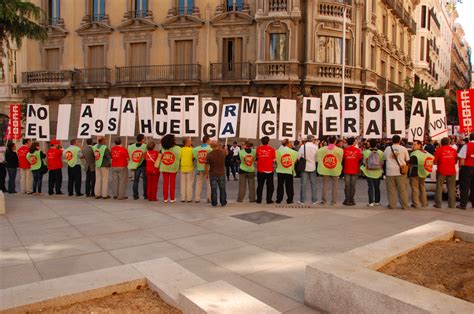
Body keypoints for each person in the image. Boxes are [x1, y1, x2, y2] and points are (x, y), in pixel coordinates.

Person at [383, 135, 410, 209]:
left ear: (392, 140)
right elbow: (407, 159)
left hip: (390, 171)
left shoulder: (387, 149)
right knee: (403, 190)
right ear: (400, 140)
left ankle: (392, 205)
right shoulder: (404, 148)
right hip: (401, 172)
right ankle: (404, 205)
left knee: (391, 190)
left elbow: (385, 159)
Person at [317, 136, 343, 205]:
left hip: (325, 169)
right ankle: (334, 201)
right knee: (335, 185)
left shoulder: (321, 150)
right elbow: (340, 159)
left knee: (325, 185)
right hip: (335, 169)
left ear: (328, 141)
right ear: (335, 141)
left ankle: (324, 200)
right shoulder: (339, 150)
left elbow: (318, 158)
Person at [433, 137, 457, 209]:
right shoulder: (453, 150)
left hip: (441, 171)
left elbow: (435, 161)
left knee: (439, 187)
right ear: (449, 143)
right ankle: (452, 204)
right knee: (451, 188)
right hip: (452, 171)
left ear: (441, 143)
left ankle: (438, 204)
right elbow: (455, 161)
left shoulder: (439, 150)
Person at [408, 140, 433, 208]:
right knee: (422, 188)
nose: (413, 146)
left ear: (419, 145)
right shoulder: (425, 152)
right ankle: (424, 203)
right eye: (412, 144)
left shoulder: (415, 153)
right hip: (423, 172)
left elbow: (409, 162)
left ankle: (415, 204)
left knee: (415, 189)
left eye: (415, 145)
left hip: (414, 173)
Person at [361, 139, 384, 207]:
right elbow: (382, 162)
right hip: (378, 172)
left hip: (369, 172)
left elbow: (364, 162)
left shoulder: (365, 152)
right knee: (377, 187)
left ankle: (371, 202)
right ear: (377, 144)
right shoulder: (380, 152)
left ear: (369, 144)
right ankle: (377, 201)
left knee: (370, 187)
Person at [159, 134, 181, 203]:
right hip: (173, 168)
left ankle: (165, 198)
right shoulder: (178, 148)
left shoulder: (162, 148)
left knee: (165, 183)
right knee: (172, 183)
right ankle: (172, 198)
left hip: (164, 167)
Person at [276, 139, 298, 204]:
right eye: (290, 143)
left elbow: (276, 161)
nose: (291, 144)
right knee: (289, 186)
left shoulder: (278, 151)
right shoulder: (293, 152)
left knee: (280, 185)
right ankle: (289, 199)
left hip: (280, 170)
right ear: (287, 143)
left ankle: (279, 199)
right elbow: (295, 161)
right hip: (289, 170)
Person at [205, 140, 227, 207]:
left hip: (213, 174)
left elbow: (206, 166)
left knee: (213, 189)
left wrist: (206, 174)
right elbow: (227, 153)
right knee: (222, 188)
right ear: (218, 145)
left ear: (211, 146)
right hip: (221, 173)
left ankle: (214, 203)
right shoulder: (223, 152)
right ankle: (223, 202)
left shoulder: (209, 155)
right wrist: (223, 148)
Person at [298, 135, 318, 204]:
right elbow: (317, 158)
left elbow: (298, 157)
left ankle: (302, 200)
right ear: (313, 140)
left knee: (303, 184)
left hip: (304, 167)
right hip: (312, 167)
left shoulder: (303, 146)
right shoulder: (315, 147)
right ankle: (314, 200)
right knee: (314, 184)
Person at [256, 136, 276, 204]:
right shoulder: (272, 149)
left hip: (260, 170)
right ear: (268, 141)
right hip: (269, 170)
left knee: (260, 185)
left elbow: (257, 157)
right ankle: (269, 200)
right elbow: (274, 160)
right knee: (270, 186)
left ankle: (259, 200)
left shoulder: (258, 149)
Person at [343, 137, 362, 206]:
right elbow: (360, 159)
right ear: (353, 142)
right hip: (355, 170)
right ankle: (352, 200)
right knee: (353, 186)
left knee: (347, 185)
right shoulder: (357, 150)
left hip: (347, 169)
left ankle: (347, 200)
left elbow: (343, 159)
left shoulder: (345, 150)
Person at [457, 132, 474, 210]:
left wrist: (461, 167)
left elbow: (462, 158)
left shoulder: (466, 146)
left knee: (464, 187)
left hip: (467, 168)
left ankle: (463, 204)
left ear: (470, 138)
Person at [193, 136, 212, 203]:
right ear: (207, 140)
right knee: (209, 184)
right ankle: (209, 198)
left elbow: (195, 156)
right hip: (209, 168)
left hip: (200, 167)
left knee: (198, 183)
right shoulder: (210, 149)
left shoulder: (196, 149)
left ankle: (197, 198)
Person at [128, 134, 147, 200]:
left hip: (135, 165)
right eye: (144, 138)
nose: (144, 140)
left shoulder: (131, 147)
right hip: (144, 165)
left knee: (135, 181)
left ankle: (135, 195)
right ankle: (145, 195)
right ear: (142, 139)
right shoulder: (145, 146)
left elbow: (130, 155)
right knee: (145, 181)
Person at [180, 137, 194, 202]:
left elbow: (180, 157)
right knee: (189, 184)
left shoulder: (181, 149)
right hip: (190, 167)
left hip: (183, 167)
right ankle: (189, 198)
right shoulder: (191, 149)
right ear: (187, 142)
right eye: (189, 141)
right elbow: (193, 157)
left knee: (183, 184)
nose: (190, 142)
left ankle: (183, 198)